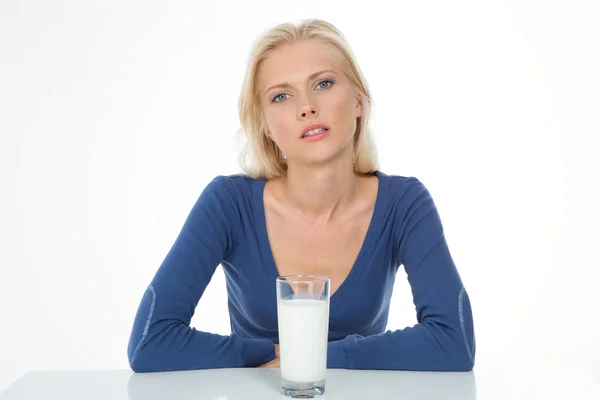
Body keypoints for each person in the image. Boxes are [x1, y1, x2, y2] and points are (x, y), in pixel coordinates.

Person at [126, 19, 475, 373]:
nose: (306, 107)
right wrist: (263, 356)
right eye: (281, 95)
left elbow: (453, 343)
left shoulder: (404, 203)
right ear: (265, 126)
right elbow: (149, 343)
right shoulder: (228, 204)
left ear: (358, 99)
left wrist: (308, 358)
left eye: (323, 83)